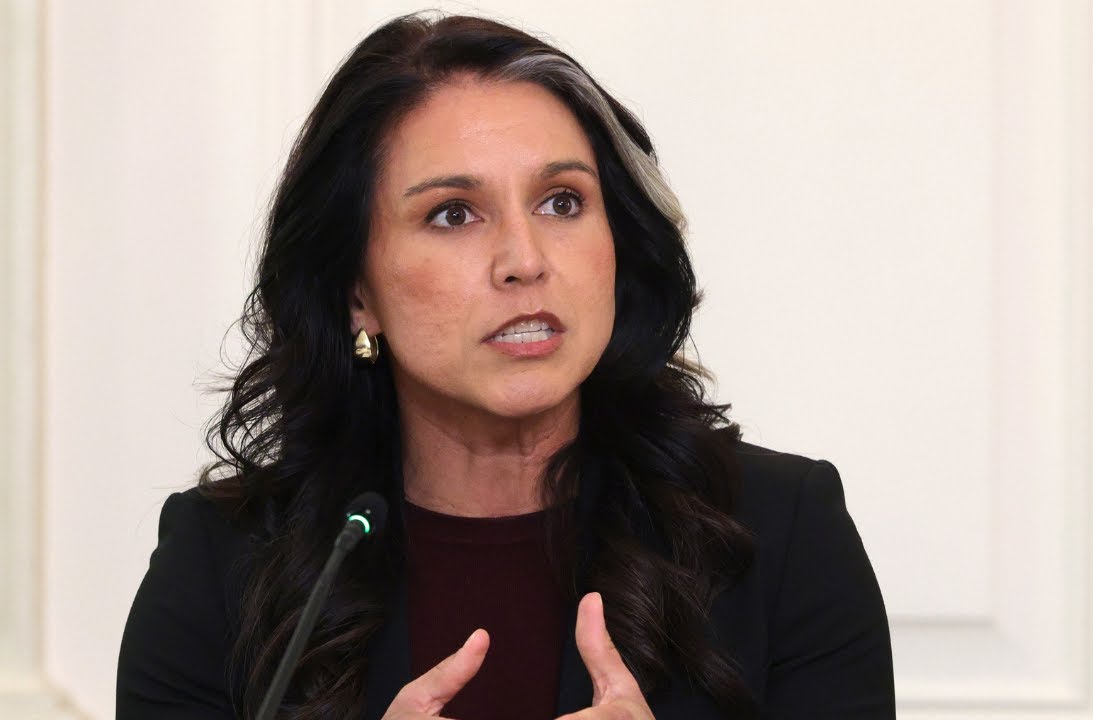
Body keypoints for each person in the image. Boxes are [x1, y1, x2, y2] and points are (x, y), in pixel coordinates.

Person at [115, 11, 894, 720]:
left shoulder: (782, 534)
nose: (525, 259)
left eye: (562, 202)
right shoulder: (219, 566)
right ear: (357, 293)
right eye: (453, 214)